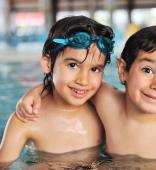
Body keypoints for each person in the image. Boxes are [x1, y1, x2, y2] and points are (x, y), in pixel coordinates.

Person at [13, 24, 156, 160]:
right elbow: (72, 85)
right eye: (147, 70)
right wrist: (35, 92)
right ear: (123, 71)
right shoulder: (107, 100)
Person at [0, 15, 115, 163]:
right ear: (47, 63)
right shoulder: (26, 119)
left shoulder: (103, 108)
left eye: (94, 69)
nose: (83, 80)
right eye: (73, 65)